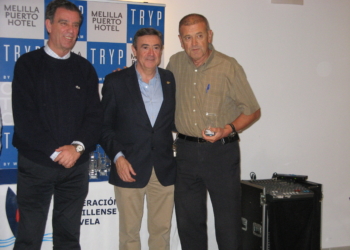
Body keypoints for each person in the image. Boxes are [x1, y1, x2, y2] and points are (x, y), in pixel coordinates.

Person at [11, 0, 102, 249]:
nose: (71, 30)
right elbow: (25, 120)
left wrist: (77, 149)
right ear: (48, 25)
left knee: (69, 238)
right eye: (64, 23)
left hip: (75, 167)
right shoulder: (27, 65)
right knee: (29, 237)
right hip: (36, 166)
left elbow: (94, 117)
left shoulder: (85, 69)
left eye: (75, 25)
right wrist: (57, 152)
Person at [166, 14, 261, 250]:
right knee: (189, 224)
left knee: (228, 224)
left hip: (221, 153)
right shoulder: (174, 64)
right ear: (180, 40)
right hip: (186, 153)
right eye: (188, 38)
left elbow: (252, 111)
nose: (194, 43)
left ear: (209, 35)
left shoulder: (228, 66)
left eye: (199, 35)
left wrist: (227, 129)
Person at [99, 28, 176, 250]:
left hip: (163, 169)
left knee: (161, 233)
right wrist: (118, 158)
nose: (151, 53)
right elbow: (104, 127)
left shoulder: (169, 79)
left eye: (156, 47)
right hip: (128, 168)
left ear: (161, 50)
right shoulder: (115, 81)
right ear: (134, 50)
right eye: (145, 47)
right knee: (129, 235)